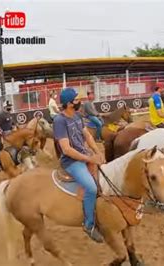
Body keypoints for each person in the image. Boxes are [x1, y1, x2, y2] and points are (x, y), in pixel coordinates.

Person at [53, 87, 105, 243]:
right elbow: (66, 149)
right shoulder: (59, 121)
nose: (79, 102)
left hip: (84, 155)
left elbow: (87, 135)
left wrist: (97, 152)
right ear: (69, 103)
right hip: (72, 161)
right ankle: (89, 225)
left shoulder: (77, 116)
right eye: (76, 100)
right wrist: (89, 159)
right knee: (91, 187)